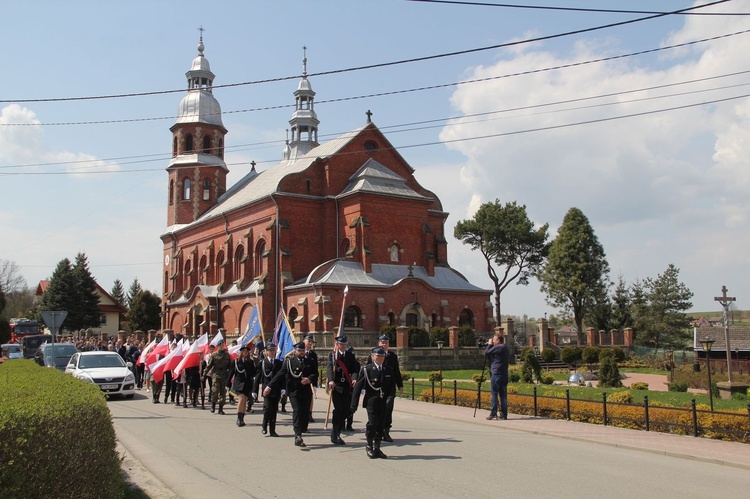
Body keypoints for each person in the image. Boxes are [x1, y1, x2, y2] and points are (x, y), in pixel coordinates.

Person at [264, 341, 318, 447]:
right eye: (300, 350)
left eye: (303, 350)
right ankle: (297, 435)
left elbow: (315, 373)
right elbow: (279, 375)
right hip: (294, 391)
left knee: (304, 412)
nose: (302, 352)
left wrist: (309, 379)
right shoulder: (289, 362)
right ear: (295, 351)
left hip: (306, 391)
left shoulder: (310, 361)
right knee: (297, 411)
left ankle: (302, 428)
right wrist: (269, 386)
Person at [351, 347, 396, 459]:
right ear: (372, 356)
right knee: (373, 422)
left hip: (383, 401)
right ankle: (369, 445)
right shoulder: (367, 370)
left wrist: (390, 397)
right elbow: (358, 388)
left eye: (382, 356)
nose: (380, 358)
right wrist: (353, 405)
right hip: (371, 401)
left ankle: (377, 448)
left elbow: (392, 387)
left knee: (381, 424)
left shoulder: (388, 370)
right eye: (378, 356)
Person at [367, 334, 403, 442]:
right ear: (379, 343)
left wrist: (400, 385)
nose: (384, 344)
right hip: (376, 389)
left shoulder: (392, 356)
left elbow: (396, 371)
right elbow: (368, 372)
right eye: (382, 342)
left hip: (388, 388)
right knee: (376, 411)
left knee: (388, 410)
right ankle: (375, 430)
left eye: (386, 343)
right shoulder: (373, 355)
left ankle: (386, 432)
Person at [327, 335, 359, 445]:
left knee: (346, 410)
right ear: (337, 345)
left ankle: (337, 430)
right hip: (336, 386)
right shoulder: (333, 355)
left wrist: (354, 378)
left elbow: (355, 368)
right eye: (341, 344)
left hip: (346, 386)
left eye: (345, 344)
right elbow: (329, 368)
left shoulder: (350, 355)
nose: (343, 346)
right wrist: (330, 380)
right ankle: (335, 432)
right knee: (339, 409)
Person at [253, 341, 282, 436]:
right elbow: (257, 377)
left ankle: (272, 430)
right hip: (266, 390)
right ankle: (264, 425)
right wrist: (254, 390)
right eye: (270, 350)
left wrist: (283, 388)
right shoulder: (262, 363)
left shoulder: (279, 363)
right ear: (266, 352)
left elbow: (282, 377)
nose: (272, 352)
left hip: (276, 389)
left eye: (274, 350)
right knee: (267, 409)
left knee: (274, 410)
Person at [485, 333, 509, 420]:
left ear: (498, 340)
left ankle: (493, 413)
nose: (493, 341)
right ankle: (504, 414)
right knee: (503, 395)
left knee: (494, 393)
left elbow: (487, 352)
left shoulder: (498, 347)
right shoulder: (505, 347)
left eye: (494, 340)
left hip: (496, 373)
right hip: (504, 373)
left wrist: (489, 344)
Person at [231, 346, 257, 427]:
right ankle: (238, 418)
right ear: (241, 352)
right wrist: (227, 383)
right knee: (241, 399)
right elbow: (231, 372)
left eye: (247, 351)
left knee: (245, 400)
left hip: (247, 383)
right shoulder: (236, 362)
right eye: (244, 351)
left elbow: (254, 372)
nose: (246, 353)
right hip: (239, 383)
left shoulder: (251, 362)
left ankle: (242, 418)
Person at [204, 339, 231, 414]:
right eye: (220, 345)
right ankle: (213, 404)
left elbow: (230, 366)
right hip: (216, 375)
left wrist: (231, 375)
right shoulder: (214, 355)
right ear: (218, 346)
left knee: (223, 393)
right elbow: (209, 366)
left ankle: (220, 408)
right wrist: (204, 374)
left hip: (224, 376)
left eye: (223, 345)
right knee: (215, 391)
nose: (222, 346)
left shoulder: (227, 355)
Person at [303, 333, 318, 424]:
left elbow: (315, 369)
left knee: (310, 398)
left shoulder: (313, 354)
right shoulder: (299, 352)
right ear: (304, 341)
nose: (310, 343)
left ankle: (309, 414)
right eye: (308, 341)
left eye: (311, 342)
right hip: (301, 379)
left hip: (310, 379)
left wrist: (315, 383)